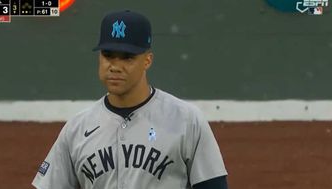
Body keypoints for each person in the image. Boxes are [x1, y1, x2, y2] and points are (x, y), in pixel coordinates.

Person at [32, 10, 228, 189]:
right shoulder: (76, 128)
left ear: (147, 60)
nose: (115, 66)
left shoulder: (186, 120)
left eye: (127, 57)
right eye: (108, 55)